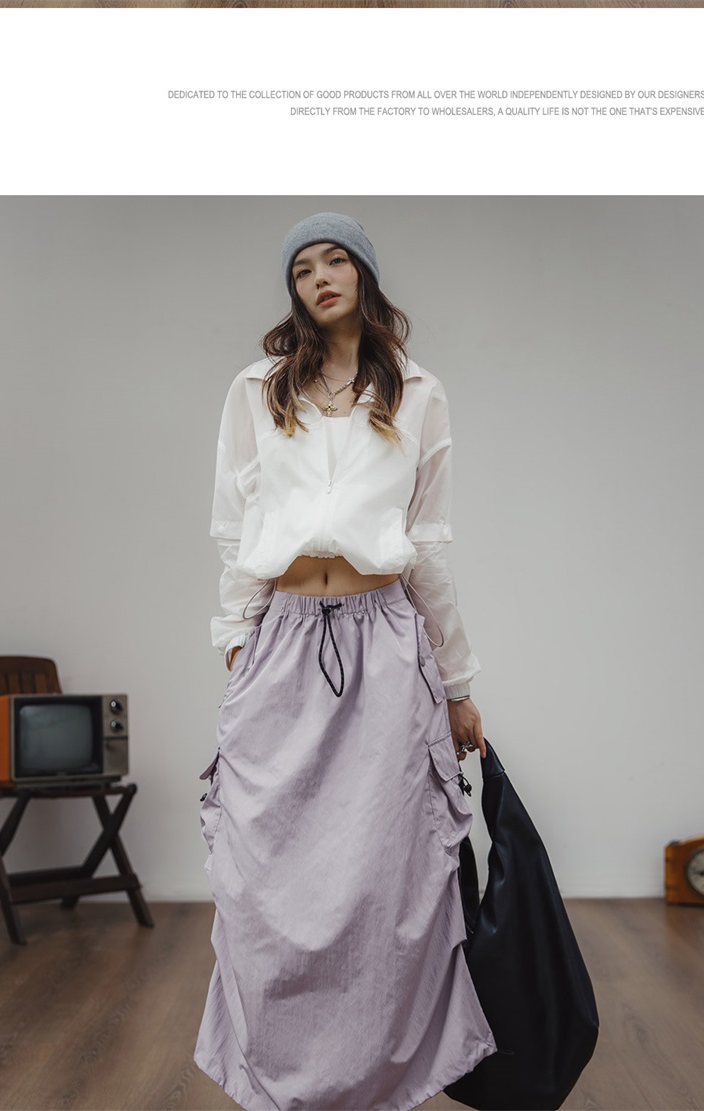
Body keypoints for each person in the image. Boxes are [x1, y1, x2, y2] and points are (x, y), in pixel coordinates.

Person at [194, 213, 497, 1111]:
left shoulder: (419, 392)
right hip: (283, 637)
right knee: (267, 874)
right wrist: (238, 641)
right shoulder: (257, 389)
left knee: (385, 879)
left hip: (386, 643)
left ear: (364, 272)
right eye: (302, 268)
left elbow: (427, 545)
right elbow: (234, 527)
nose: (319, 277)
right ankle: (281, 1081)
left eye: (334, 260)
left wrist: (457, 683)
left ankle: (376, 1083)